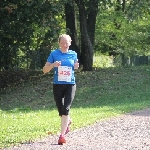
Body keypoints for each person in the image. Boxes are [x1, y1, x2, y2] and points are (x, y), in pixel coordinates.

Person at [43, 34, 79, 145]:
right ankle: (68, 121)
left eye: (66, 43)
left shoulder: (73, 54)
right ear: (59, 43)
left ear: (70, 43)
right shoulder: (54, 54)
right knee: (61, 108)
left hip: (70, 84)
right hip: (57, 84)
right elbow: (44, 70)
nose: (64, 45)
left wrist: (76, 66)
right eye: (62, 43)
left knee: (66, 108)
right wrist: (53, 65)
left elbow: (76, 65)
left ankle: (62, 136)